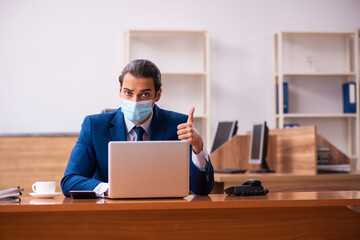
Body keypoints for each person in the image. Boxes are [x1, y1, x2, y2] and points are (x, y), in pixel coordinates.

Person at [61, 59, 214, 197]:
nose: (135, 101)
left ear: (158, 94)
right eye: (128, 93)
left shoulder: (179, 125)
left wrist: (198, 148)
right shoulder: (95, 126)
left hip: (164, 213)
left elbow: (202, 189)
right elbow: (70, 181)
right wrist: (109, 189)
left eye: (144, 95)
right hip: (109, 213)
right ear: (119, 90)